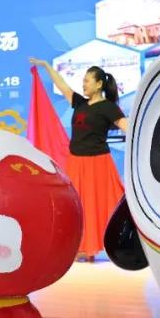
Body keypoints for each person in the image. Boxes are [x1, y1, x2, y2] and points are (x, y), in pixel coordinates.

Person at [29, 58, 129, 262]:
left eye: (87, 80)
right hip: (76, 162)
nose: (84, 84)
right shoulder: (80, 103)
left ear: (99, 84)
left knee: (97, 204)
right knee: (77, 205)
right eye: (83, 80)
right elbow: (62, 86)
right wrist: (46, 67)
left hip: (97, 163)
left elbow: (129, 128)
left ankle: (97, 247)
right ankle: (82, 246)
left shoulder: (108, 108)